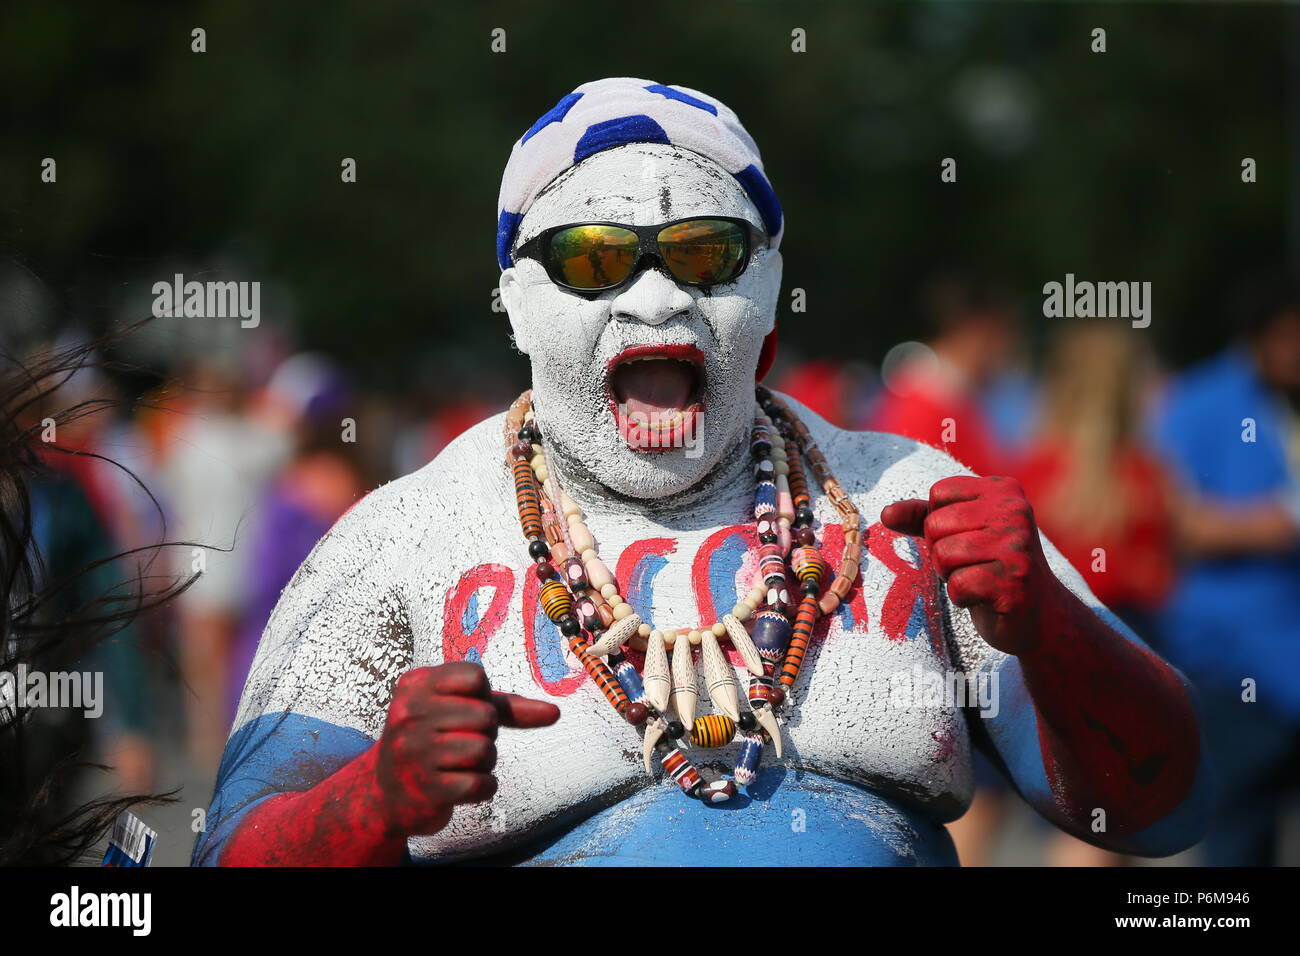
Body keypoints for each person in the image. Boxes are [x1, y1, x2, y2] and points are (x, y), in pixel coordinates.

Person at [194, 78, 1210, 867]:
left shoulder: (902, 498)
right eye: (592, 257)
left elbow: (1162, 810)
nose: (651, 299)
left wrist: (1050, 631)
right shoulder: (400, 540)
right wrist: (371, 795)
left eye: (705, 253)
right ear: (513, 301)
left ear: (768, 300)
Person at [1018, 321, 1178, 866]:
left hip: (1041, 649)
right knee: (1110, 828)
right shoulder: (1146, 477)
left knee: (1080, 822)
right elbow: (1161, 574)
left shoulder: (1029, 471)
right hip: (1127, 648)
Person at [1153, 274, 1300, 866]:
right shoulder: (1199, 402)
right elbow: (1175, 520)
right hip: (1234, 662)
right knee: (1238, 838)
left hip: (1287, 654)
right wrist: (1280, 522)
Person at [868, 269, 1018, 477]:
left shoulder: (951, 401)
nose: (1007, 349)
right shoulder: (923, 410)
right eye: (1005, 335)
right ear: (980, 330)